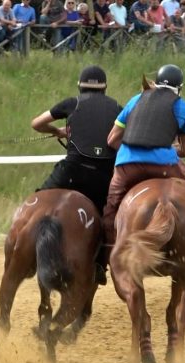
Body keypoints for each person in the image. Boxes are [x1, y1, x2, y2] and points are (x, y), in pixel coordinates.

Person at [102, 64, 185, 275]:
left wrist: (133, 150)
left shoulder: (135, 99)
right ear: (180, 88)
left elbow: (112, 139)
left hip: (127, 165)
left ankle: (109, 256)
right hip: (164, 165)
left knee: (111, 209)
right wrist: (164, 146)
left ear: (157, 83)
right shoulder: (181, 106)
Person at [30, 65, 121, 285]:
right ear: (104, 88)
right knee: (106, 220)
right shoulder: (117, 108)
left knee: (40, 201)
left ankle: (33, 250)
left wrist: (57, 131)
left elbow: (37, 123)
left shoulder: (72, 103)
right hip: (104, 175)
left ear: (80, 86)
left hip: (73, 170)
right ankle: (100, 263)